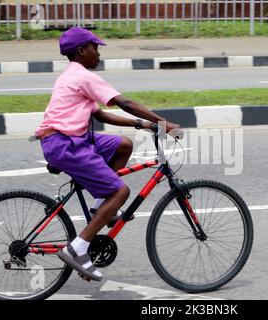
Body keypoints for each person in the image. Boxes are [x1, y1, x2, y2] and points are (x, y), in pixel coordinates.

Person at [34, 27, 180, 281]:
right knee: (120, 191)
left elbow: (99, 114)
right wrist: (162, 122)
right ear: (81, 51)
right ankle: (77, 248)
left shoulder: (72, 75)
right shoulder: (83, 77)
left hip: (70, 139)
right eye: (95, 48)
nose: (98, 54)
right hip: (66, 144)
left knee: (122, 145)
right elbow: (125, 103)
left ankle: (101, 209)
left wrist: (143, 125)